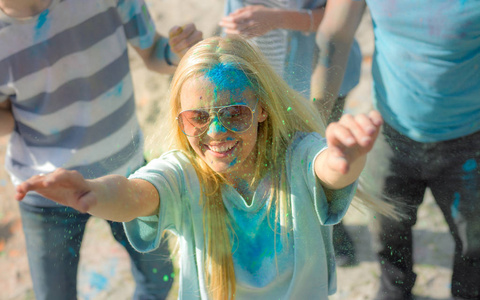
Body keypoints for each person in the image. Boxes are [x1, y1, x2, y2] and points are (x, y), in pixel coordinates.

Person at [15, 35, 386, 299]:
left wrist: (346, 157)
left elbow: (330, 168)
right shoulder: (182, 175)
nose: (217, 132)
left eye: (234, 114)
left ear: (261, 109)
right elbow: (133, 194)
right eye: (198, 118)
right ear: (180, 122)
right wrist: (91, 194)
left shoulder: (297, 156)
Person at [0, 0, 202, 299]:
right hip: (45, 193)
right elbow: (6, 118)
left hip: (126, 171)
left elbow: (154, 52)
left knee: (158, 278)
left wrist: (175, 52)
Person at [311, 0, 480, 299]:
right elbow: (334, 37)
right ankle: (394, 290)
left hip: (471, 141)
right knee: (387, 230)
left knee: (474, 244)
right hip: (387, 129)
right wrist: (311, 125)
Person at [219, 0, 361, 266]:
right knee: (269, 155)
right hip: (260, 73)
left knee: (318, 156)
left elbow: (346, 17)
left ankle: (333, 230)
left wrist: (278, 18)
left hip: (318, 78)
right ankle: (283, 226)